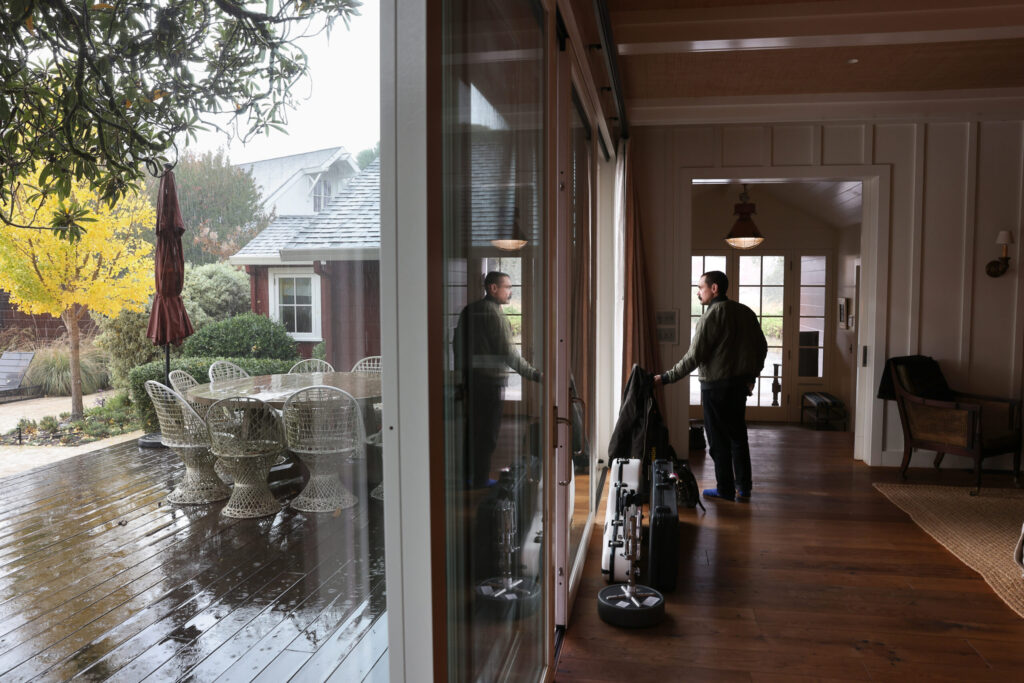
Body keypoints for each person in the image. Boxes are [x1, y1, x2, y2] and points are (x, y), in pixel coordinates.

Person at [655, 270, 767, 501]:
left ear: (714, 288)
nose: (698, 293)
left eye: (701, 288)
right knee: (738, 437)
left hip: (715, 389)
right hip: (739, 387)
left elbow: (693, 357)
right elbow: (762, 348)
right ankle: (744, 488)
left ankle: (725, 489)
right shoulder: (745, 312)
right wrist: (751, 377)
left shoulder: (710, 316)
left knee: (717, 441)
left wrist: (665, 378)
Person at [454, 271, 542, 488]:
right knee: (488, 434)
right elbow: (508, 353)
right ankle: (481, 481)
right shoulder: (493, 313)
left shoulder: (469, 310)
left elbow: (457, 345)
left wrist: (461, 376)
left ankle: (467, 478)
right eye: (507, 287)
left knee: (472, 431)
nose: (510, 292)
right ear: (493, 288)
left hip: (472, 380)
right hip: (490, 383)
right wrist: (534, 374)